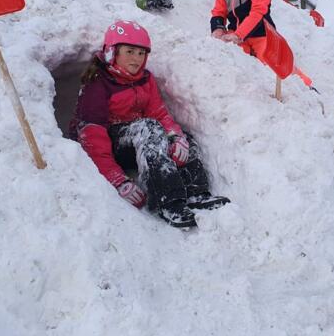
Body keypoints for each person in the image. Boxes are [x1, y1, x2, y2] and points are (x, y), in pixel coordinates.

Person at [69, 20, 229, 228]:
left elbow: (159, 112)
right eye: (130, 51)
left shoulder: (145, 79)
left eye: (141, 53)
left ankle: (196, 192)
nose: (136, 59)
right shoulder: (98, 84)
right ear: (112, 52)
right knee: (149, 128)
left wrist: (176, 137)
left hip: (142, 140)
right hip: (112, 145)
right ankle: (167, 201)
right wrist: (117, 180)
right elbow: (92, 138)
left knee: (182, 135)